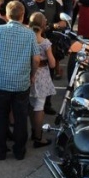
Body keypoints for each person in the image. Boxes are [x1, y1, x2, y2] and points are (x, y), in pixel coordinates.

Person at [0, 1, 41, 161]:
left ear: (7, 15)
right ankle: (19, 151)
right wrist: (32, 74)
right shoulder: (29, 34)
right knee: (21, 117)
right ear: (23, 15)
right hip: (21, 81)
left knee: (0, 116)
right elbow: (36, 59)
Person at [28, 12, 55, 148]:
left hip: (28, 75)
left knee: (31, 105)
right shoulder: (45, 43)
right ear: (44, 25)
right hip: (42, 76)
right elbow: (52, 64)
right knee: (39, 107)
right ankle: (38, 136)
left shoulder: (27, 39)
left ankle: (33, 130)